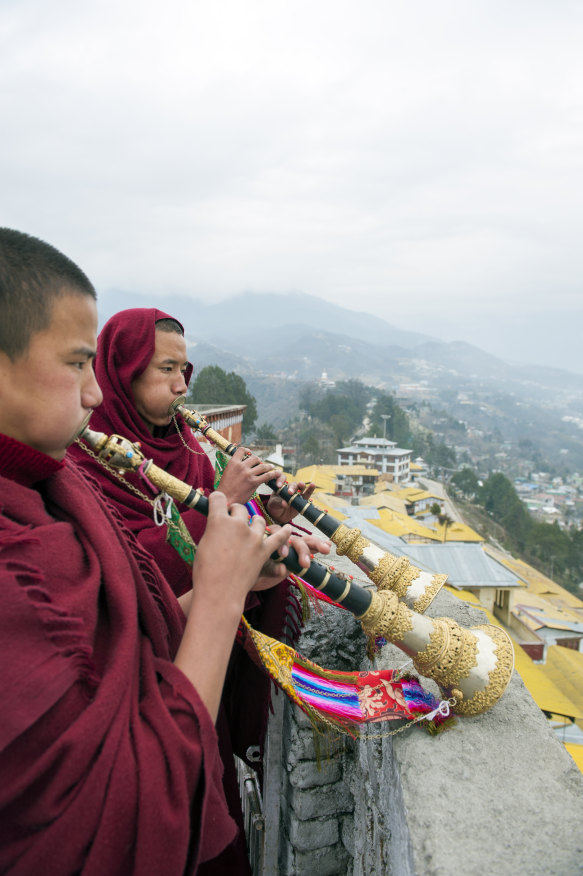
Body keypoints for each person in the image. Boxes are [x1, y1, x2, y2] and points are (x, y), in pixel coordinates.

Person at [0, 228, 313, 875]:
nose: (91, 395)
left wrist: (245, 577)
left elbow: (141, 631)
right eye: (75, 363)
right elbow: (125, 817)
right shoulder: (54, 504)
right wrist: (221, 588)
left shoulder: (53, 484)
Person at [69, 306, 316, 598]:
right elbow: (130, 569)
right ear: (123, 371)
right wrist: (223, 500)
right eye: (166, 369)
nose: (181, 386)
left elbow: (223, 521)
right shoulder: (83, 455)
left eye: (183, 370)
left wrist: (270, 512)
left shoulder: (180, 439)